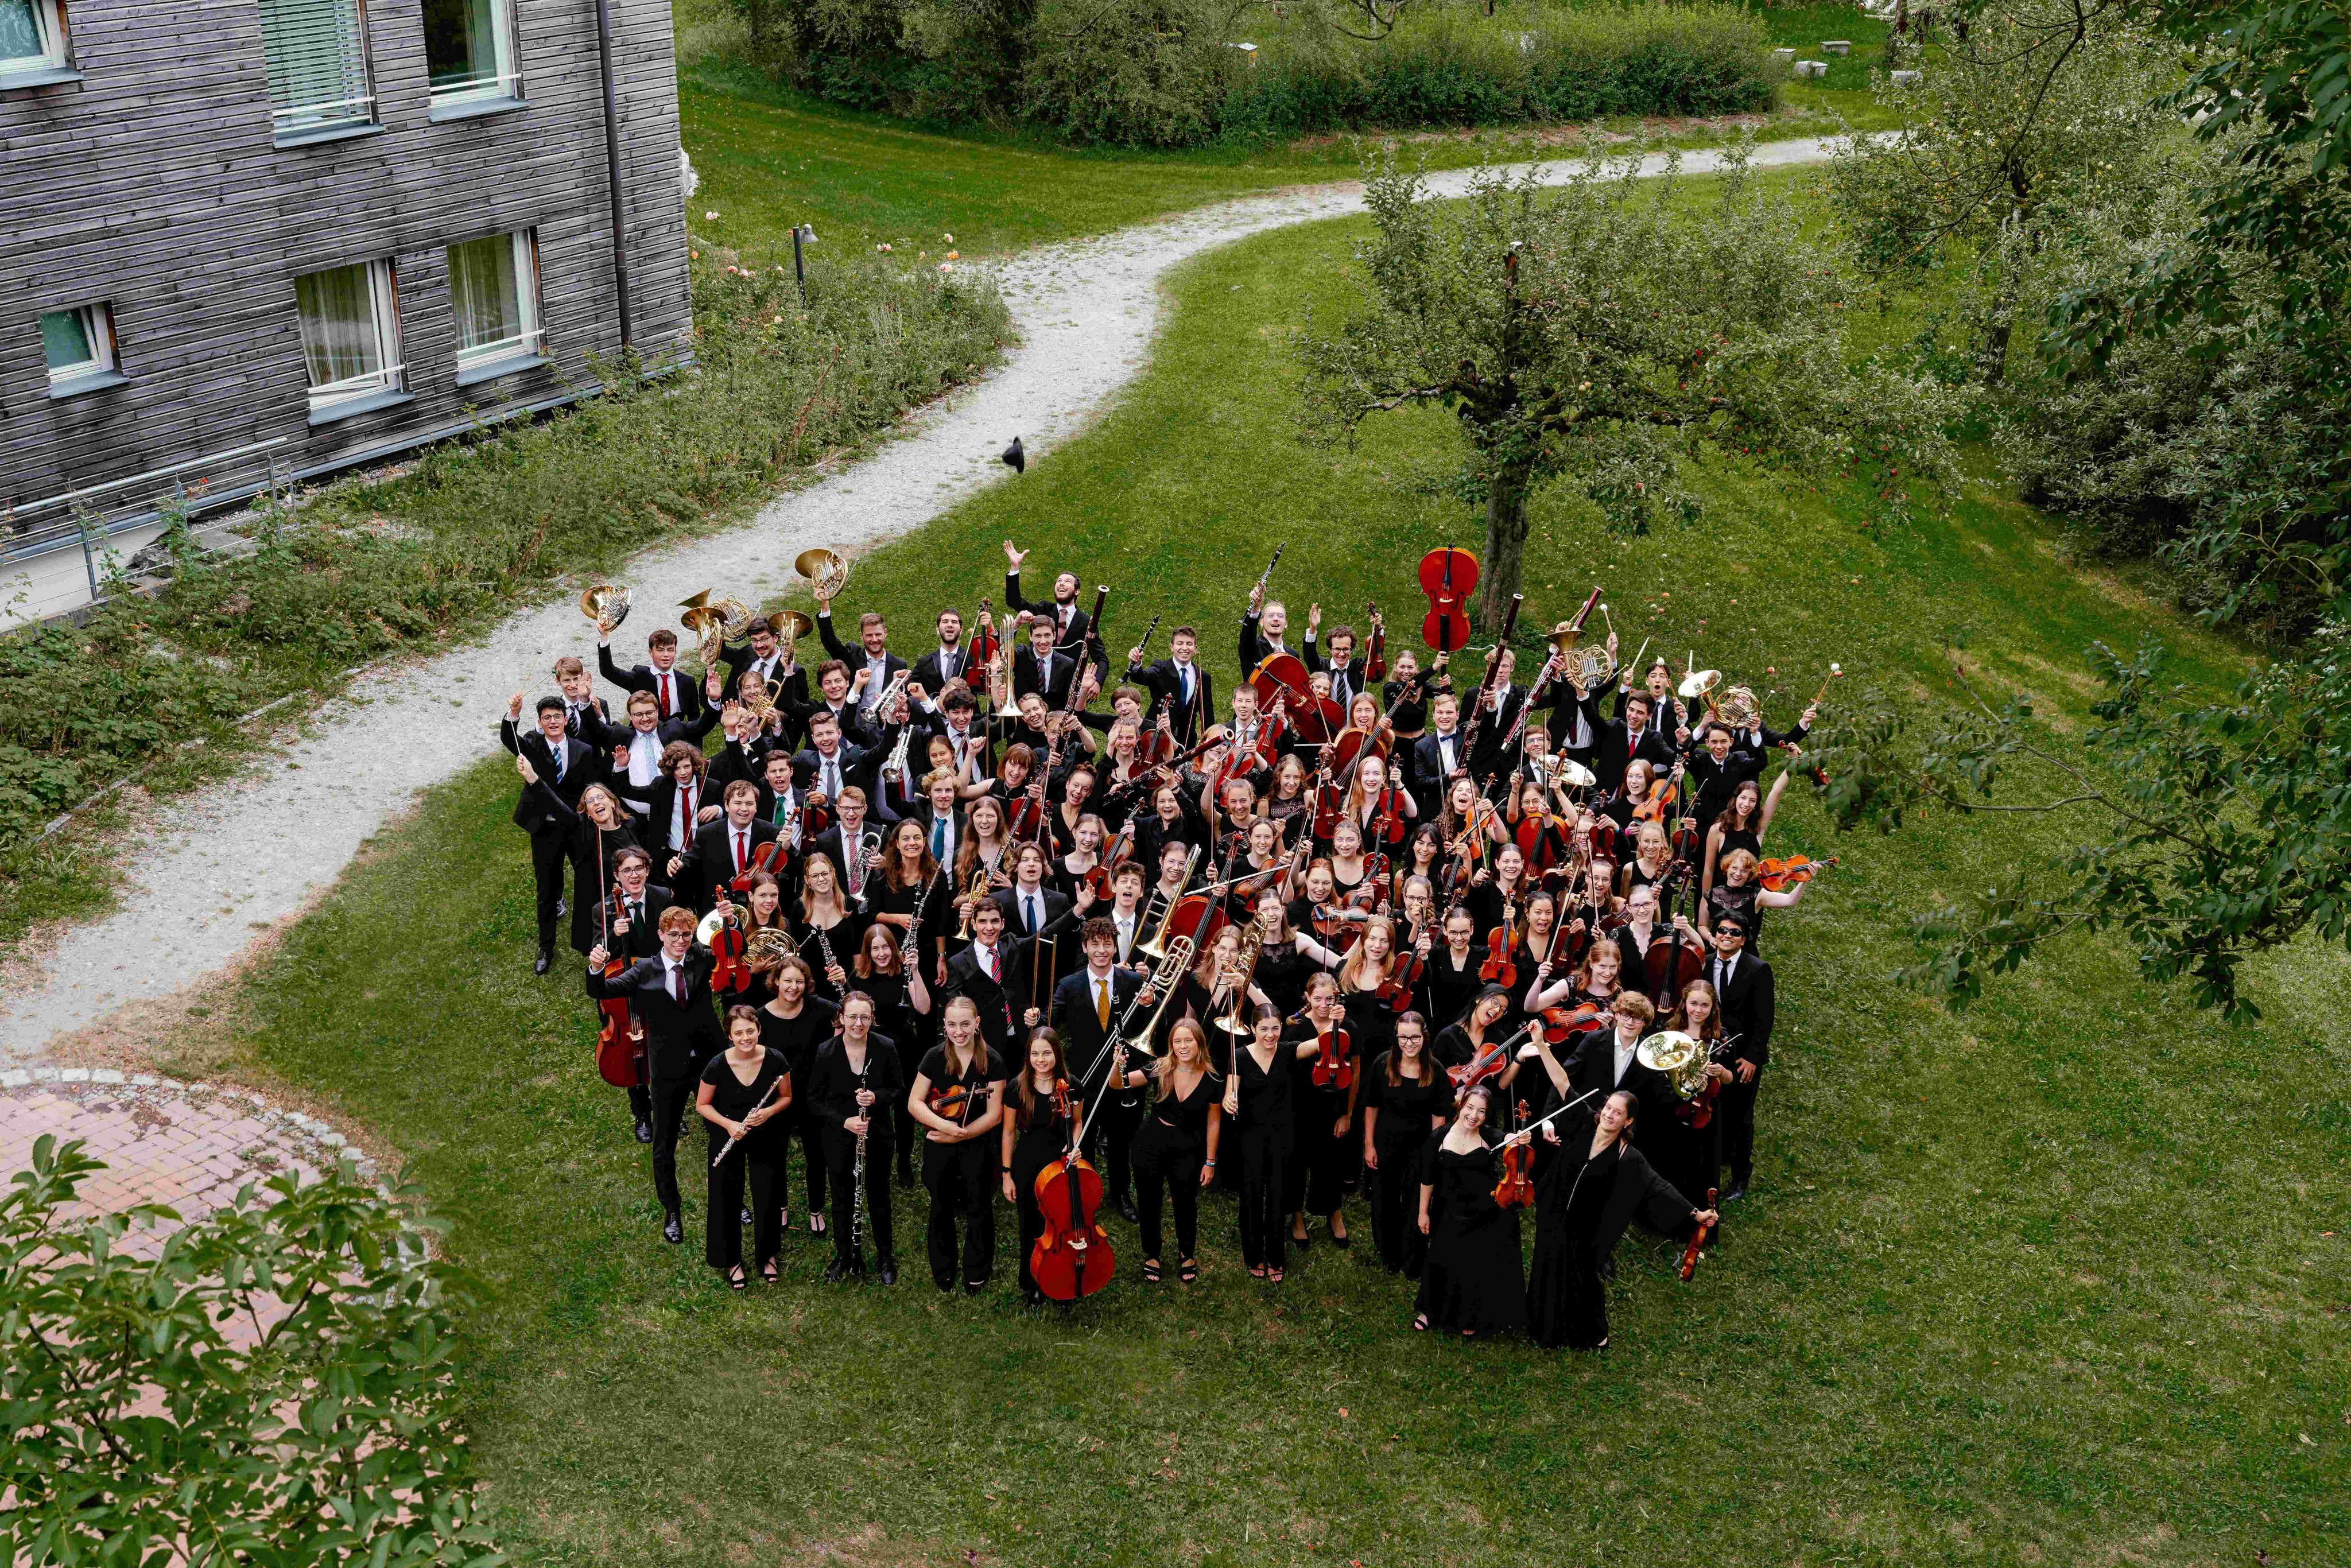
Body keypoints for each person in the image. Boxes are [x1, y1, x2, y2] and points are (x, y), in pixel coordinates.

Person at [1515, 1091, 1717, 1349]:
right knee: (1547, 1264)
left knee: (1580, 1277)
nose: (1610, 1115)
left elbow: (1658, 1186)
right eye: (1609, 1108)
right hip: (1553, 1212)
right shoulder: (1586, 1122)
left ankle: (1595, 1334)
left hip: (1585, 1226)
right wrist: (1542, 1048)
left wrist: (1696, 1213)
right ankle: (1542, 1326)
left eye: (1618, 1112)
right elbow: (1562, 1084)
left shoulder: (1629, 1156)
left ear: (1629, 1122)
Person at [587, 905, 724, 1244]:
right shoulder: (642, 970)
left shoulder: (700, 957)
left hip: (707, 1062)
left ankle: (729, 1202)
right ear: (661, 935)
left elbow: (735, 950)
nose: (681, 941)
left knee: (722, 1131)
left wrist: (731, 922)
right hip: (666, 1068)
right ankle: (672, 1210)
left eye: (686, 935)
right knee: (663, 1143)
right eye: (674, 935)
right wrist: (595, 968)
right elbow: (601, 991)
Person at [1049, 916, 1153, 1220]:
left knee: (1122, 1141)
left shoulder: (1133, 982)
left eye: (1108, 944)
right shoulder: (1069, 985)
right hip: (1084, 1078)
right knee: (1085, 1139)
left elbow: (1147, 1030)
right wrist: (1035, 1018)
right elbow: (1051, 1020)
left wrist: (1149, 1004)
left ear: (1115, 946)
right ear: (1085, 947)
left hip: (1123, 1077)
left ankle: (1121, 1194)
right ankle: (1086, 1193)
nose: (1102, 950)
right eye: (1095, 944)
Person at [906, 996, 1004, 1294]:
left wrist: (961, 1135)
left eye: (965, 1024)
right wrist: (946, 1127)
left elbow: (995, 1113)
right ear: (945, 1026)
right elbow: (914, 1102)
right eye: (952, 1025)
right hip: (940, 1144)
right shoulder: (934, 1057)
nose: (958, 1031)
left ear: (977, 1024)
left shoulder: (993, 1061)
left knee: (980, 1208)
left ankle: (976, 1271)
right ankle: (944, 1271)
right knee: (941, 1207)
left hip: (979, 1146)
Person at [1413, 1084, 1527, 1337]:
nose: (1474, 1116)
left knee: (1476, 1266)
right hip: (1449, 1209)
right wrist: (1423, 1212)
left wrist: (1516, 1139)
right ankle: (1430, 1311)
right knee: (1441, 1258)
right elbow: (1427, 1178)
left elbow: (1507, 1139)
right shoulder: (1439, 1137)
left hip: (1485, 1212)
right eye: (1470, 1108)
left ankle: (1472, 1315)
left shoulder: (1488, 1136)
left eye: (1482, 1111)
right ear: (1461, 1106)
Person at [808, 991, 905, 1283]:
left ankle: (885, 1257)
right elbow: (814, 1100)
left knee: (878, 1196)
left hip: (878, 1135)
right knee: (841, 1196)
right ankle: (844, 1255)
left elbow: (898, 1089)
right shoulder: (826, 1051)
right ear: (842, 1018)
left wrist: (876, 1097)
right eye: (852, 1017)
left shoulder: (885, 1047)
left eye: (865, 1017)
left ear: (873, 1019)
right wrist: (845, 1121)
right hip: (838, 1136)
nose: (858, 1023)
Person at [500, 692, 600, 972]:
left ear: (566, 719)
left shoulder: (584, 750)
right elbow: (510, 739)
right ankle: (546, 948)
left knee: (587, 881)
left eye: (558, 716)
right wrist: (514, 713)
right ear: (540, 722)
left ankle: (592, 943)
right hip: (544, 828)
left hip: (574, 826)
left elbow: (591, 785)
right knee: (546, 888)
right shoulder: (532, 744)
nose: (553, 722)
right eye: (547, 718)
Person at [696, 1005, 791, 1289]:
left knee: (769, 1193)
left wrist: (768, 1112)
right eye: (738, 1033)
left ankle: (768, 1255)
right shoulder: (717, 1065)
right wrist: (728, 1124)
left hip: (766, 1134)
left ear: (759, 1030)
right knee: (725, 1197)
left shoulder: (776, 1060)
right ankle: (731, 1260)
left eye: (751, 1031)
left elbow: (786, 1098)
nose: (746, 1037)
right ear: (730, 1036)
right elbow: (702, 1105)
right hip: (729, 1135)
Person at [1220, 1004, 1316, 1283]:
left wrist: (1333, 1020)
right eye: (1264, 1029)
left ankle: (1275, 1257)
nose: (1270, 1035)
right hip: (1249, 1138)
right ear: (1252, 1029)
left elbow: (1321, 1043)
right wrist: (1229, 1101)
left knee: (1277, 1197)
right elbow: (1231, 1093)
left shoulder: (1288, 1052)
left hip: (1283, 1137)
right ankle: (1253, 1255)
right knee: (1251, 1197)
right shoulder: (1239, 1056)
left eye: (1275, 1028)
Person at [1131, 1017, 1221, 1286]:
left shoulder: (1213, 1078)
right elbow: (1118, 1084)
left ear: (1199, 1043)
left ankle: (1186, 1253)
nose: (1183, 1046)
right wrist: (1117, 1066)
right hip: (1151, 1143)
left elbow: (1214, 1121)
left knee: (1185, 1202)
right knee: (1149, 1201)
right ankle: (1152, 1254)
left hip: (1189, 1148)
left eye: (1188, 1040)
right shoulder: (1160, 1068)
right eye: (1177, 1041)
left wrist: (1210, 1161)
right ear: (1171, 1045)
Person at [754, 954, 836, 1237]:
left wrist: (842, 982)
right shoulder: (761, 1018)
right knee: (777, 1154)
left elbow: (849, 1012)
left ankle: (816, 1209)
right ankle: (781, 1207)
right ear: (776, 981)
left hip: (813, 1094)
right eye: (787, 980)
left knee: (817, 1153)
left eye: (799, 982)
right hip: (779, 1097)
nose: (793, 987)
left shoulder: (819, 1008)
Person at [1361, 1011, 1449, 1278]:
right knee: (1384, 1201)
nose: (1409, 1043)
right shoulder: (1382, 1064)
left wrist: (1435, 1157)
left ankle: (1414, 1259)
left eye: (1414, 1037)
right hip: (1386, 1143)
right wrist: (1369, 1144)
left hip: (1420, 1148)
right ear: (1396, 1037)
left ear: (1424, 1036)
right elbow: (1371, 1106)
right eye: (1403, 1038)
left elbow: (1439, 1119)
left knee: (1416, 1203)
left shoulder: (1436, 1070)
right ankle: (1390, 1254)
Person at [1001, 1029, 1081, 1306]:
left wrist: (1075, 1145)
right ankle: (1033, 1281)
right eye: (1035, 1054)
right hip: (1028, 1164)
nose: (1041, 1059)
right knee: (1032, 1227)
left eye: (1046, 1053)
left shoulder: (1071, 1085)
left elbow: (1077, 1123)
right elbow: (1009, 1132)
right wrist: (1006, 1174)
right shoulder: (1017, 1086)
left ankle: (1063, 1279)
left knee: (1064, 1224)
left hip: (1061, 1165)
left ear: (1057, 1053)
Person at [1286, 972, 1359, 1251]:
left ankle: (1333, 1211)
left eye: (1330, 999)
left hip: (1333, 1105)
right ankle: (1295, 1215)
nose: (1324, 1004)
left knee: (1330, 1160)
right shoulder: (1296, 1028)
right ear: (1308, 998)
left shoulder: (1348, 1025)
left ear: (1338, 997)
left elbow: (1356, 1071)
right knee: (1296, 1162)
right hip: (1301, 1105)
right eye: (1317, 999)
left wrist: (1347, 1114)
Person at [1704, 915, 1774, 1200]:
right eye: (1722, 930)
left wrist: (1753, 1058)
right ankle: (1717, 1160)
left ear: (1744, 939)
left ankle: (1740, 1175)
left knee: (1741, 1116)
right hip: (1711, 1051)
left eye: (1735, 932)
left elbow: (1765, 1018)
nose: (1727, 936)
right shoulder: (1705, 963)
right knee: (1714, 1111)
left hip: (1743, 1057)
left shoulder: (1758, 969)